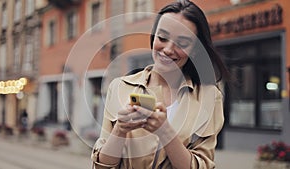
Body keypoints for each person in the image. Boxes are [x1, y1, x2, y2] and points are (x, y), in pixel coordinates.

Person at [91, 0, 230, 168]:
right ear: (153, 36)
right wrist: (119, 130)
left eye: (183, 43)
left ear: (195, 49)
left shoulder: (209, 97)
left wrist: (165, 132)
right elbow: (101, 166)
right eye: (162, 38)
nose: (168, 49)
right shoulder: (120, 87)